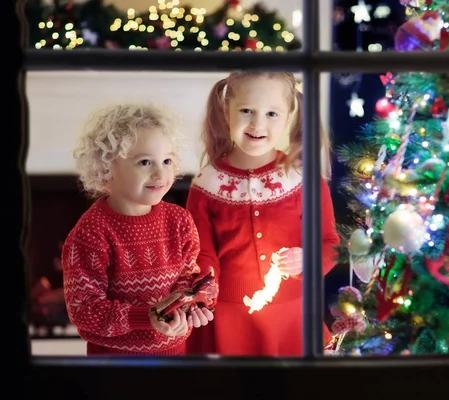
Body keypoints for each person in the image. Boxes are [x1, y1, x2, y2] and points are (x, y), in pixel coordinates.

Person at [186, 72, 340, 356]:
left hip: (292, 317)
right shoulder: (205, 183)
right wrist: (203, 290)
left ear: (289, 115)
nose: (257, 124)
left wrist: (307, 260)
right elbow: (200, 253)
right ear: (226, 110)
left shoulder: (303, 179)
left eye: (272, 113)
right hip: (226, 319)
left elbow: (329, 245)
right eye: (246, 111)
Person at [61, 102, 216, 356]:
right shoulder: (91, 233)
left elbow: (187, 278)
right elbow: (84, 309)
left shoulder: (180, 221)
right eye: (145, 162)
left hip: (175, 353)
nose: (160, 173)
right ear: (107, 168)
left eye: (166, 160)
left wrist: (190, 307)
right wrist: (147, 317)